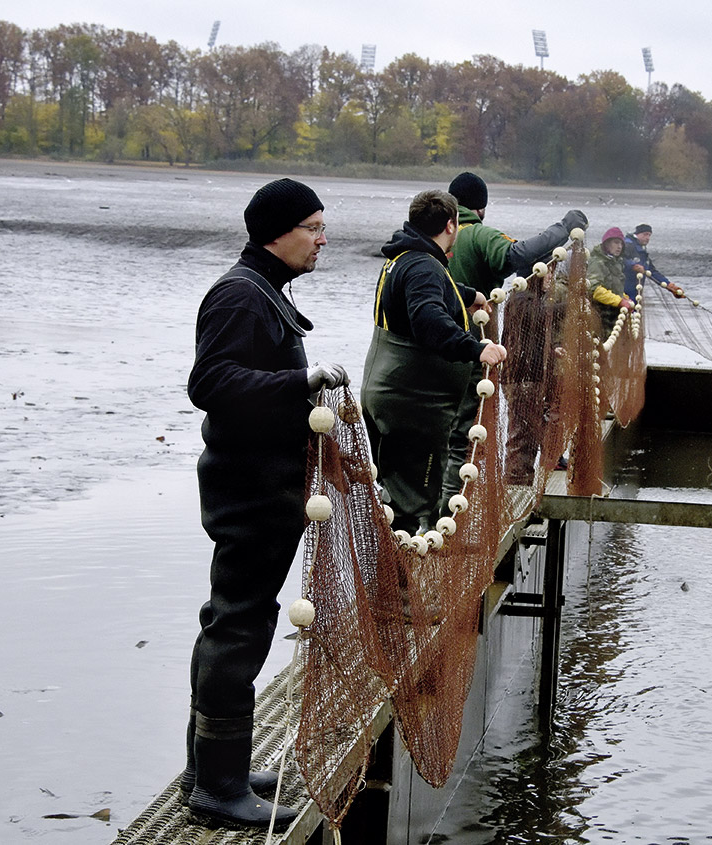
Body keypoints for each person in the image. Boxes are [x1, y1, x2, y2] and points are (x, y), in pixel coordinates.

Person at [185, 178, 349, 830]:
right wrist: (301, 380)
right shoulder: (238, 295)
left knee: (231, 619)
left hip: (261, 485)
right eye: (312, 227)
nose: (322, 238)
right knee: (238, 625)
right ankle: (217, 786)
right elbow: (210, 382)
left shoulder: (262, 290)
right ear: (274, 233)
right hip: (248, 490)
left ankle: (211, 766)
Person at [361, 189, 506, 534]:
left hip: (389, 393)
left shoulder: (405, 258)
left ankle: (395, 576)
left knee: (397, 493)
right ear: (451, 225)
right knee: (414, 504)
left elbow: (432, 289)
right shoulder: (423, 267)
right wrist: (476, 349)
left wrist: (468, 296)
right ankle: (405, 586)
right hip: (412, 406)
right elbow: (428, 320)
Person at [438, 171, 587, 503]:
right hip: (474, 355)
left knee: (443, 436)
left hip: (432, 353)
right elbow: (517, 255)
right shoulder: (476, 236)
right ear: (481, 209)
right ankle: (453, 512)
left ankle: (430, 515)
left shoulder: (431, 240)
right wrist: (564, 228)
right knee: (467, 435)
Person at [587, 226, 636, 334]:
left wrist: (625, 299)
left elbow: (614, 288)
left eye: (621, 244)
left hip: (614, 315)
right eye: (616, 243)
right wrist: (619, 301)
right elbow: (594, 289)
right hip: (600, 316)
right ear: (606, 243)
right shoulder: (597, 262)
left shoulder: (616, 263)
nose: (619, 247)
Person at [622, 223, 685, 300]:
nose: (648, 238)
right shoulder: (627, 245)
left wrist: (669, 285)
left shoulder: (642, 251)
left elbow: (651, 271)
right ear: (637, 234)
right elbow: (619, 259)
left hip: (635, 291)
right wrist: (632, 265)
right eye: (645, 234)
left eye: (649, 235)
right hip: (622, 290)